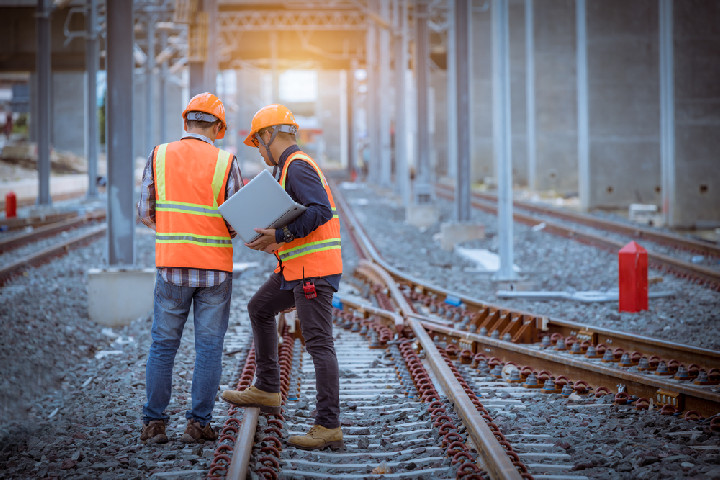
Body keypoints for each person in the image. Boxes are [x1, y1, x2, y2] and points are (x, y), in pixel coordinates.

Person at [221, 104, 344, 451]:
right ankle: (268, 388)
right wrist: (272, 238)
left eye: (258, 144)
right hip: (295, 269)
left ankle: (328, 425)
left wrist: (280, 236)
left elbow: (319, 211)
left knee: (320, 344)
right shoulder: (289, 167)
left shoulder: (298, 166)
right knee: (260, 308)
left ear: (268, 135)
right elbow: (301, 215)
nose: (259, 152)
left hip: (312, 271)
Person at [137, 92, 244, 444]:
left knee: (163, 345)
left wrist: (175, 229)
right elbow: (237, 222)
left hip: (171, 267)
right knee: (209, 349)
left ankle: (154, 424)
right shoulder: (226, 161)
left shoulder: (159, 155)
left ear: (186, 122)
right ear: (217, 127)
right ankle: (199, 424)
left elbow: (145, 212)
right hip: (215, 271)